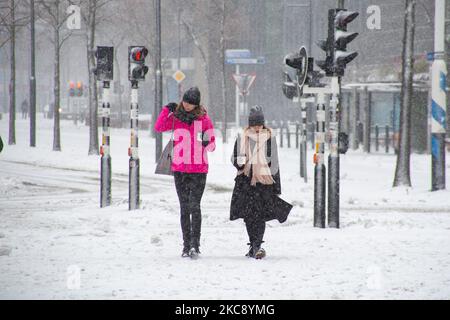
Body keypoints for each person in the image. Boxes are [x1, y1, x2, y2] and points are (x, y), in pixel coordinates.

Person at [154, 87, 216, 258]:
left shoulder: (203, 120)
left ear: (197, 104)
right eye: (186, 102)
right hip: (180, 169)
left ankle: (195, 245)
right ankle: (185, 245)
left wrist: (206, 141)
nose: (188, 106)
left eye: (191, 103)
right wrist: (166, 110)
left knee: (194, 207)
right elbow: (159, 127)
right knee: (184, 208)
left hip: (198, 170)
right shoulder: (175, 118)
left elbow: (212, 145)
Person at [230, 106, 292, 259]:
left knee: (259, 215)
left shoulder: (270, 139)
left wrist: (274, 183)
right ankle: (253, 243)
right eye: (254, 124)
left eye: (259, 124)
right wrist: (240, 163)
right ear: (249, 124)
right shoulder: (242, 138)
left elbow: (275, 163)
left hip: (264, 183)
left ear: (263, 124)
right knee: (248, 216)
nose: (257, 127)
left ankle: (257, 244)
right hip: (245, 181)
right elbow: (234, 158)